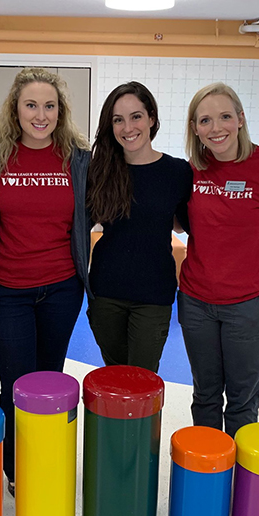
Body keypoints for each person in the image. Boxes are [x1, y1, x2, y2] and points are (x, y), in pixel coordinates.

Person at [0, 68, 91, 494]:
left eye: (49, 106)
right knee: (16, 382)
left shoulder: (78, 158)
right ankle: (17, 469)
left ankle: (49, 459)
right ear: (15, 110)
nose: (40, 115)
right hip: (6, 291)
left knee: (51, 378)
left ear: (60, 112)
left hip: (62, 287)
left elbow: (89, 212)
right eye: (31, 105)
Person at [179, 82, 259, 438]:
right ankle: (208, 482)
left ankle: (240, 486)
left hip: (250, 306)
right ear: (195, 128)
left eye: (224, 116)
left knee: (241, 401)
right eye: (205, 120)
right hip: (196, 303)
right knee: (204, 396)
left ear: (240, 119)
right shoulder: (192, 171)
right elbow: (175, 219)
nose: (215, 127)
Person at [86, 82, 192, 373]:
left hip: (153, 294)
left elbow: (185, 225)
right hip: (106, 291)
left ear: (152, 119)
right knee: (115, 377)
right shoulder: (100, 170)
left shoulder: (177, 171)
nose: (127, 127)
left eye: (136, 116)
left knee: (143, 380)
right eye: (118, 119)